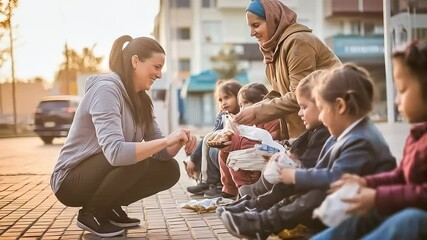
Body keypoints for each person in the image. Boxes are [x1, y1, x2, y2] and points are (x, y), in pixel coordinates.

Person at [219, 63, 397, 240]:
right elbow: (321, 172)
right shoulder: (346, 134)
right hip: (344, 211)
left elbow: (334, 178)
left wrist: (295, 175)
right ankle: (262, 218)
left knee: (319, 192)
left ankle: (263, 223)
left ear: (340, 106)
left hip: (361, 218)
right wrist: (297, 171)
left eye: (322, 108)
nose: (320, 116)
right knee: (310, 187)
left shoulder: (361, 141)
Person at [50, 35, 197, 238]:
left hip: (102, 169)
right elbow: (116, 153)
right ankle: (91, 212)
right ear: (135, 61)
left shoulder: (142, 101)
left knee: (170, 170)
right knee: (136, 160)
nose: (159, 74)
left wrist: (179, 141)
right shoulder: (106, 91)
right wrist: (166, 140)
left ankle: (107, 207)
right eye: (156, 66)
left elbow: (162, 154)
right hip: (70, 181)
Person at [311, 40, 427, 240]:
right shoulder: (418, 135)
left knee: (410, 219)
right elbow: (402, 175)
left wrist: (378, 197)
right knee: (363, 214)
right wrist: (366, 183)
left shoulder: (361, 140)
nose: (397, 100)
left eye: (403, 90)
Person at [234, 0, 341, 141]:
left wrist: (256, 111)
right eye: (250, 27)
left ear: (274, 20)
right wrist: (251, 109)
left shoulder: (298, 42)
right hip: (308, 130)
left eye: (256, 25)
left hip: (327, 128)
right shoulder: (273, 49)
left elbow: (300, 95)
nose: (252, 33)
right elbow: (280, 94)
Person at [237, 70, 330, 199]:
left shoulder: (324, 134)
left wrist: (291, 166)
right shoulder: (316, 130)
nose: (299, 113)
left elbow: (311, 167)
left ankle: (259, 203)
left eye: (304, 107)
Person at [208, 83, 282, 198]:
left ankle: (246, 189)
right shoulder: (245, 121)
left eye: (246, 103)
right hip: (248, 158)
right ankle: (231, 189)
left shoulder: (271, 120)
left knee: (234, 145)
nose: (243, 109)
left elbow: (272, 141)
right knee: (224, 150)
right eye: (241, 105)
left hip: (264, 157)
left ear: (260, 104)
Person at [185, 80, 242, 196]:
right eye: (220, 100)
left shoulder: (244, 114)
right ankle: (208, 182)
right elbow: (213, 136)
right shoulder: (223, 116)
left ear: (238, 97)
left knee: (212, 148)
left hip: (238, 148)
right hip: (225, 149)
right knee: (208, 142)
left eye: (227, 98)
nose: (223, 103)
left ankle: (218, 185)